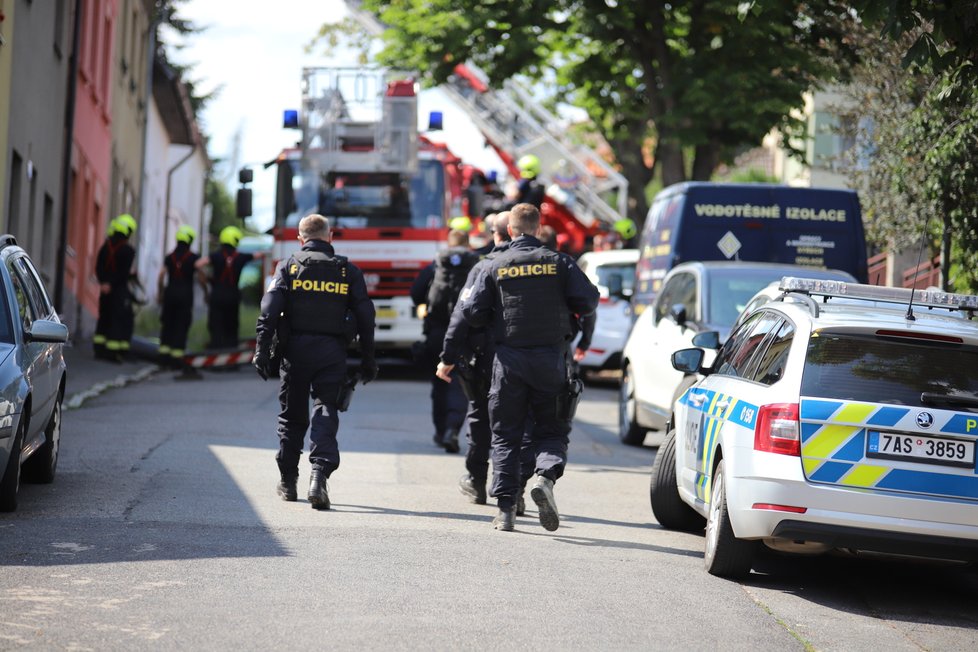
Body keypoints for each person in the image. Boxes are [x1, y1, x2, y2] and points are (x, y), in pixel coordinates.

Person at [446, 203, 598, 532]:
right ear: (538, 226)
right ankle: (544, 477)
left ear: (510, 230)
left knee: (505, 435)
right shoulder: (560, 263)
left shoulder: (494, 264)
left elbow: (471, 311)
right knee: (550, 431)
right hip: (551, 360)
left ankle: (505, 510)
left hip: (509, 361)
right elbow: (588, 300)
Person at [253, 214, 377, 510]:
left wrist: (261, 349)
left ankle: (288, 480)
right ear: (330, 236)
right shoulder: (347, 271)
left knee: (292, 417)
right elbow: (366, 317)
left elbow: (269, 311)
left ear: (301, 238)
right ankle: (318, 477)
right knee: (326, 409)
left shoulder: (288, 267)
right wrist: (369, 358)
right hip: (332, 352)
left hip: (295, 352)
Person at [437, 211, 512, 506]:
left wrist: (448, 356)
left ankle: (478, 483)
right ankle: (514, 488)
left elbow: (463, 315)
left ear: (496, 234)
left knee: (481, 417)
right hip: (533, 355)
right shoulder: (554, 264)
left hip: (486, 356)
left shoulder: (485, 267)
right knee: (518, 422)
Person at [410, 229, 480, 453]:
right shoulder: (475, 267)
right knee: (460, 382)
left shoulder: (435, 265)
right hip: (465, 334)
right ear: (468, 244)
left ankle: (440, 432)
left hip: (437, 331)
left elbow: (416, 293)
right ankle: (452, 429)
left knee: (439, 383)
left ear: (449, 244)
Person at [196, 225, 253, 349]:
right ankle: (231, 353)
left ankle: (215, 351)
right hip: (233, 296)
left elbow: (199, 264)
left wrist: (207, 278)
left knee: (216, 324)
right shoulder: (241, 257)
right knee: (231, 326)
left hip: (217, 295)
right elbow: (259, 255)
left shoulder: (215, 256)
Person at [94, 214, 138, 363]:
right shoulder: (129, 250)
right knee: (120, 319)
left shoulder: (105, 247)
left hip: (105, 289)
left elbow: (99, 267)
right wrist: (112, 284)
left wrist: (104, 283)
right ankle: (114, 352)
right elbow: (123, 273)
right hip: (118, 291)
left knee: (104, 317)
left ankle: (99, 349)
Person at [156, 225, 201, 368]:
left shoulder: (169, 257)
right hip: (185, 296)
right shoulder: (194, 258)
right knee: (181, 325)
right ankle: (177, 360)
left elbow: (161, 275)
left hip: (170, 294)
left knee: (167, 324)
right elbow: (202, 276)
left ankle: (164, 358)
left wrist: (160, 293)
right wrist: (206, 290)